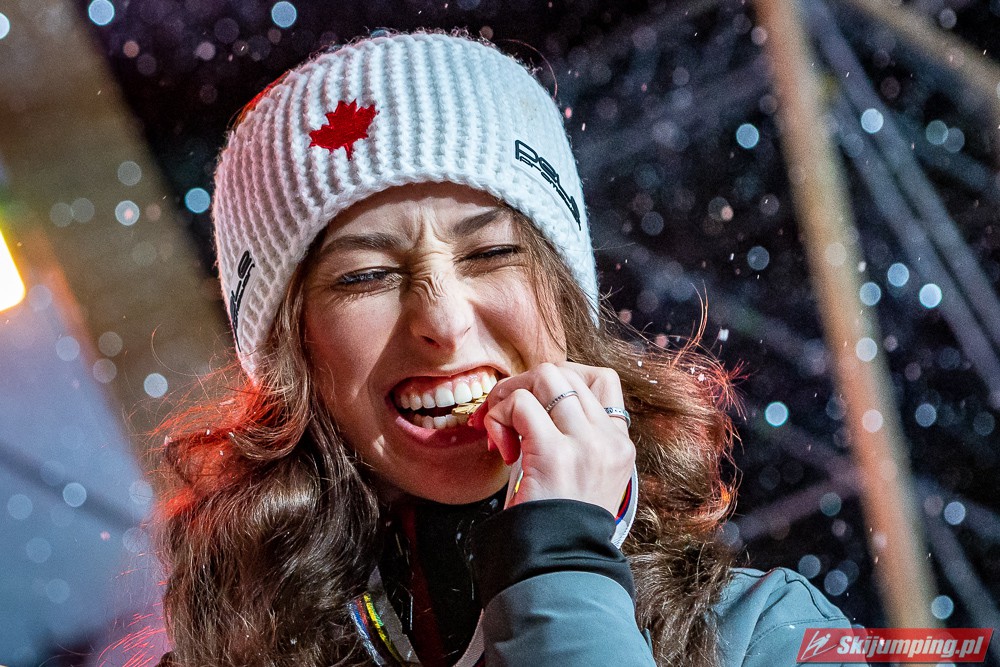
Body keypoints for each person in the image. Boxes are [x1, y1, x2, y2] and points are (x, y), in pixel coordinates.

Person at [153, 29, 853, 667]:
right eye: (365, 275)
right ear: (292, 352)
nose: (444, 320)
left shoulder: (772, 634)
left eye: (490, 253)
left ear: (565, 295)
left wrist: (561, 572)